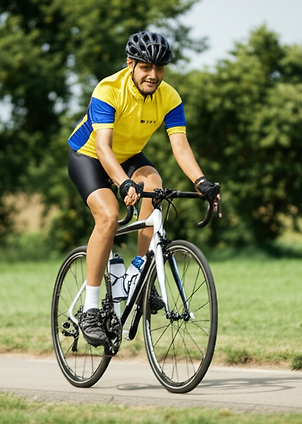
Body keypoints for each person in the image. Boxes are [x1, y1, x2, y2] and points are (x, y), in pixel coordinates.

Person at [67, 31, 220, 347]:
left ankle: (140, 276)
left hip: (129, 156)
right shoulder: (109, 90)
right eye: (146, 67)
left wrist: (202, 182)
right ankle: (91, 309)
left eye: (159, 68)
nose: (153, 75)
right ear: (131, 64)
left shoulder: (170, 97)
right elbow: (104, 148)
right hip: (89, 155)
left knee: (155, 183)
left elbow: (180, 146)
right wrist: (122, 182)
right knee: (108, 216)